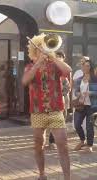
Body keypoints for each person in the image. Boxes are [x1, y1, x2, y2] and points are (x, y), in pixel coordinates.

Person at [22, 34, 72, 180]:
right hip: (37, 112)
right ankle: (42, 174)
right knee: (39, 144)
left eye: (44, 48)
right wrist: (38, 63)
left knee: (63, 144)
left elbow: (68, 70)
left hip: (56, 110)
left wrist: (53, 57)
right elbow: (25, 81)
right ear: (34, 51)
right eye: (39, 49)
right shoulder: (30, 66)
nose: (42, 51)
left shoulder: (55, 65)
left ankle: (67, 178)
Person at [47, 51, 71, 150]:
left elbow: (68, 87)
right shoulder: (49, 70)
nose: (58, 58)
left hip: (63, 100)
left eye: (60, 57)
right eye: (57, 56)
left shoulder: (65, 70)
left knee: (62, 122)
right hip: (52, 101)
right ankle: (51, 141)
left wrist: (60, 92)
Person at [73, 56, 96, 153]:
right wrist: (78, 94)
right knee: (77, 124)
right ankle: (82, 140)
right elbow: (76, 92)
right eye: (84, 66)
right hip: (81, 105)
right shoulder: (79, 79)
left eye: (88, 66)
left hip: (91, 106)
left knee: (89, 126)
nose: (86, 67)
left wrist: (91, 93)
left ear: (90, 67)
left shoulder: (95, 79)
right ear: (82, 67)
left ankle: (89, 145)